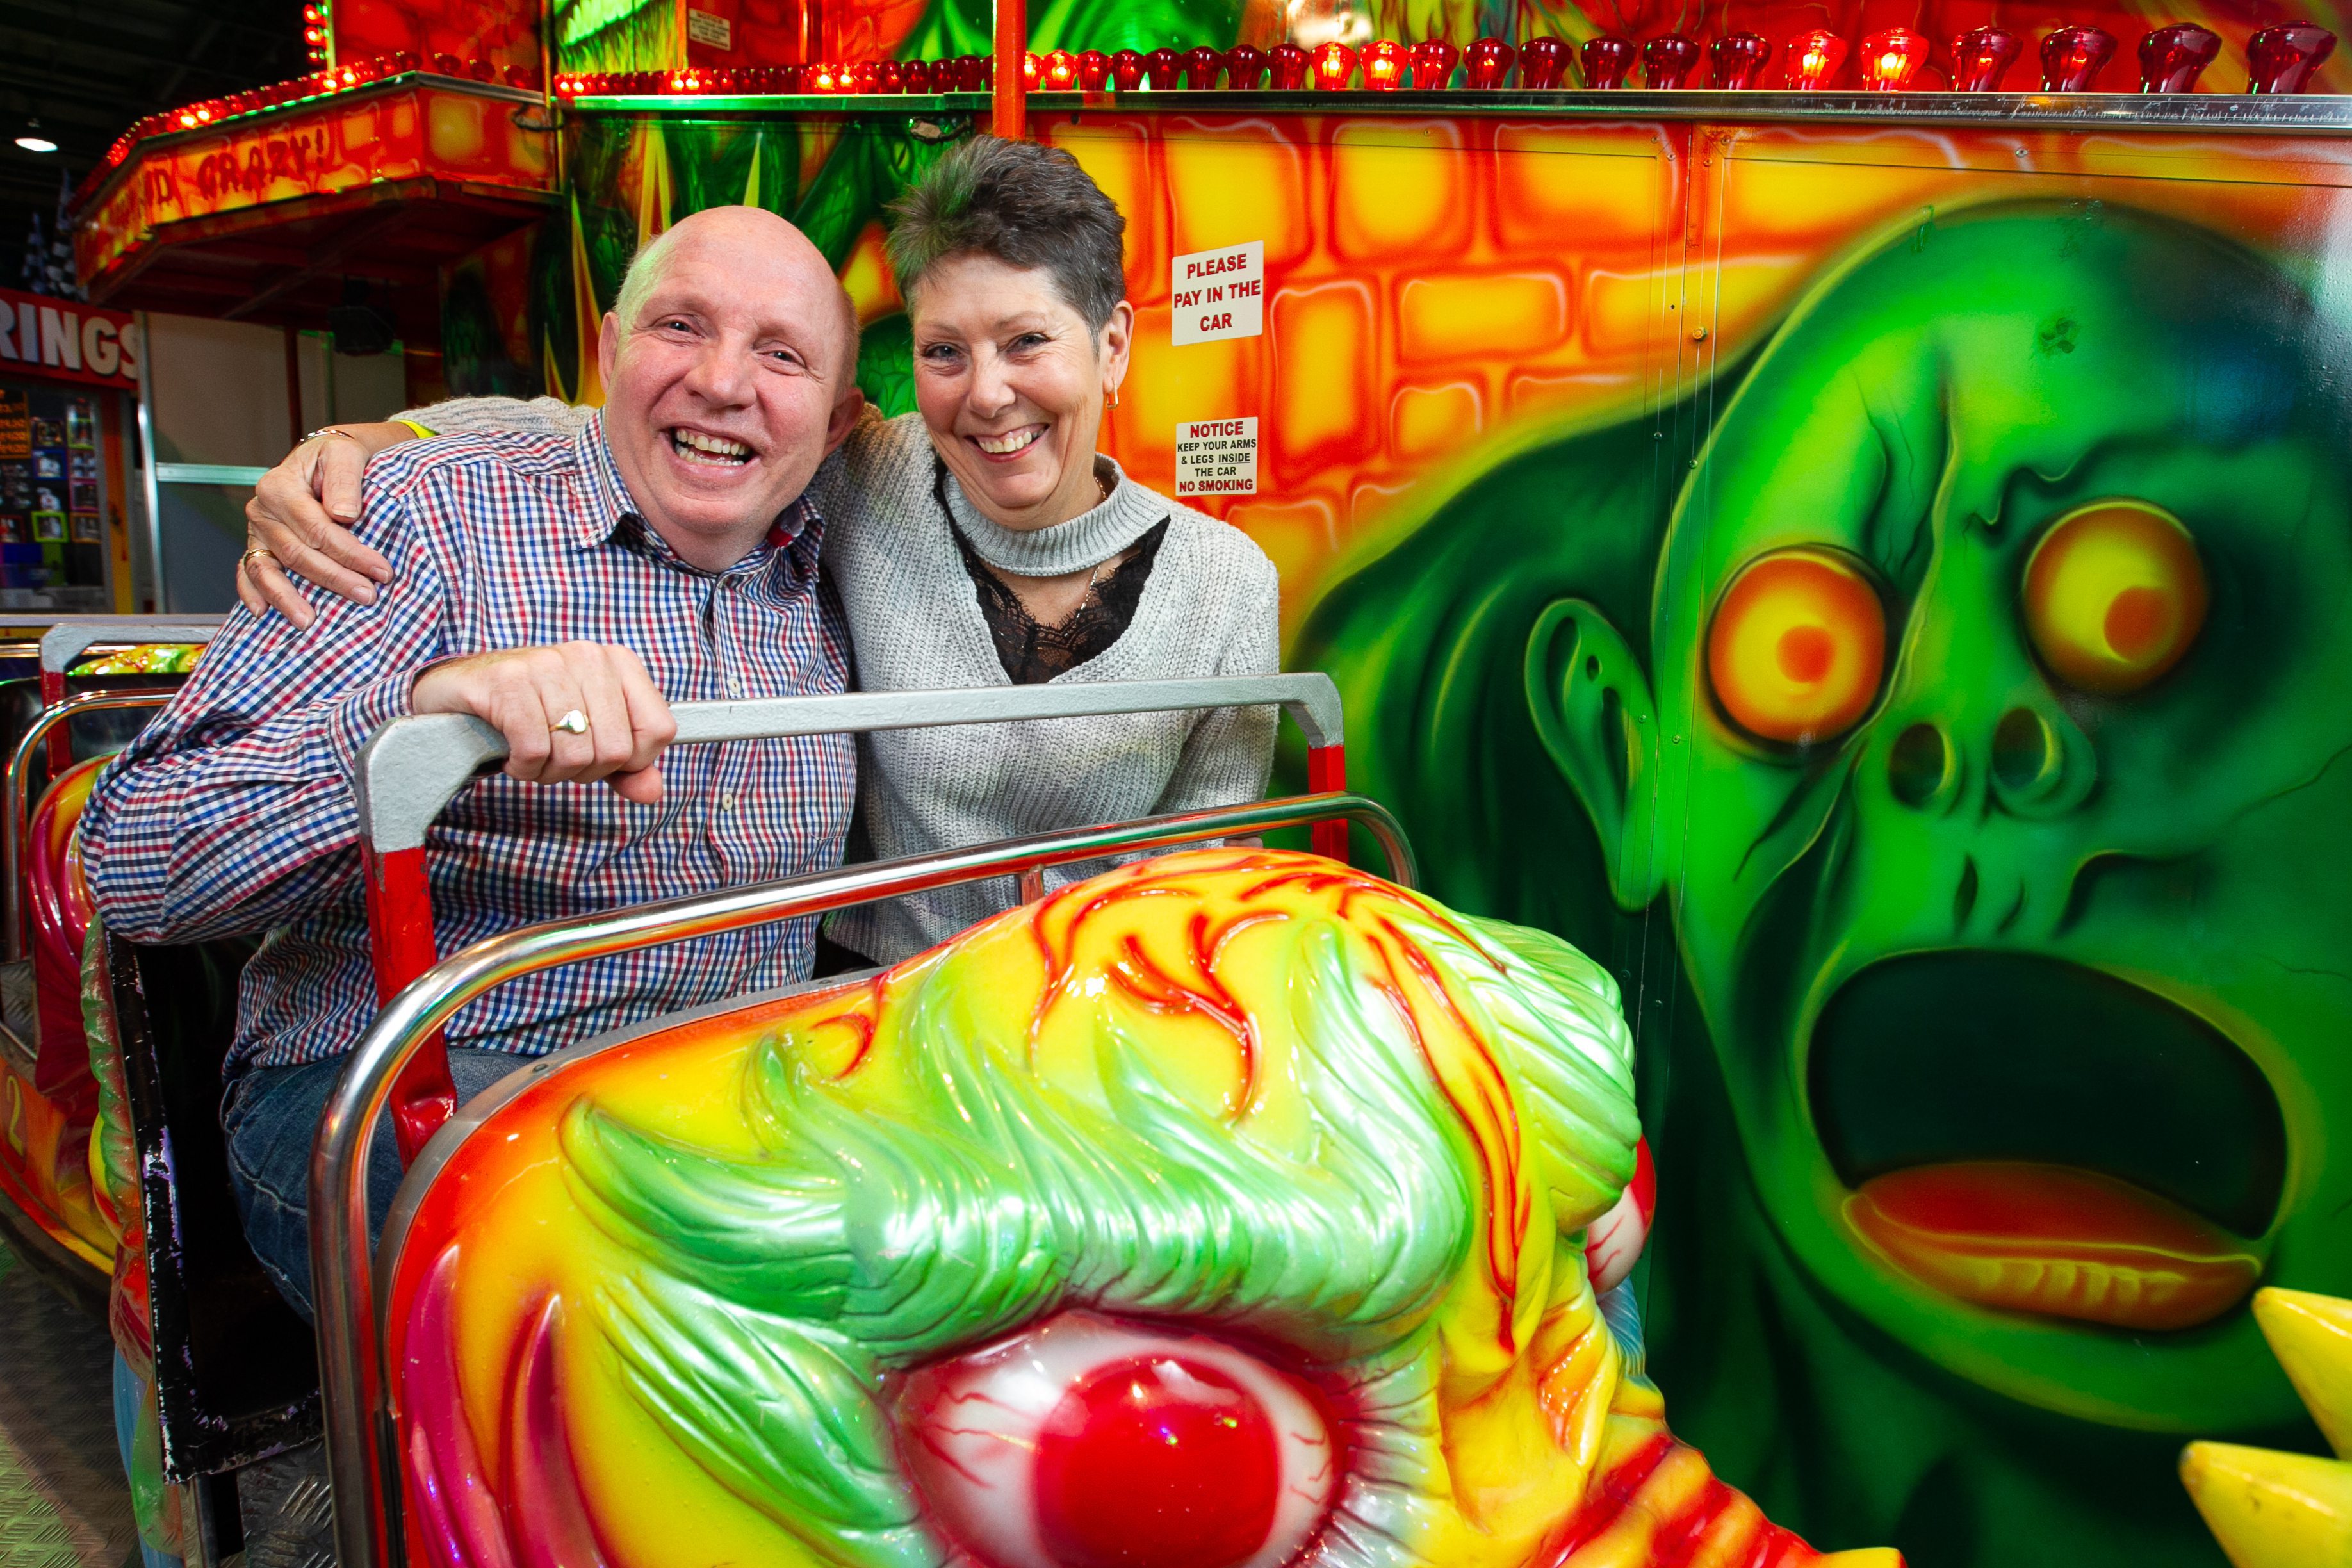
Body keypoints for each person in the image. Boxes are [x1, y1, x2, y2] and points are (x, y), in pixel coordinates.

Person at [79, 203, 864, 1318]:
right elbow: (132, 859)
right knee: (649, 1308)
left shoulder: (829, 563)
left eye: (780, 354)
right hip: (409, 1091)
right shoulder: (418, 515)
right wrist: (420, 723)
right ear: (606, 353)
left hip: (727, 1104)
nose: (725, 382)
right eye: (681, 326)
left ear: (835, 424)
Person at [238, 136, 1281, 970]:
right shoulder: (866, 469)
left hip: (1085, 999)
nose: (987, 394)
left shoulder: (1229, 587)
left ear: (1114, 346)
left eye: (1027, 343)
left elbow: (1204, 872)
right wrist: (371, 439)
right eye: (943, 352)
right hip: (864, 999)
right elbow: (619, 421)